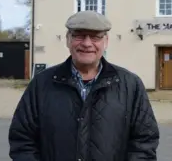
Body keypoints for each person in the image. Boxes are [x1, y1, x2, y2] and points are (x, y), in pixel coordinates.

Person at [8, 10, 160, 161]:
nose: (87, 43)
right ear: (68, 39)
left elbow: (144, 143)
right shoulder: (41, 84)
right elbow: (22, 140)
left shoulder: (130, 85)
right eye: (79, 35)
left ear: (105, 41)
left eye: (95, 37)